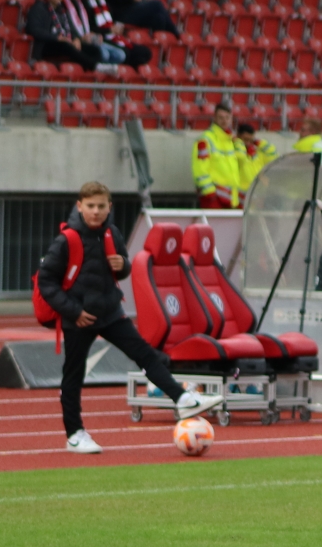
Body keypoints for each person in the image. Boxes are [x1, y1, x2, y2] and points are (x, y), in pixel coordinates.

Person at [39, 181, 221, 455]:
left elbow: (121, 267)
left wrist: (123, 264)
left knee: (145, 353)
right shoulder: (66, 240)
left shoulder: (111, 233)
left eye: (101, 206)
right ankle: (75, 434)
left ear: (109, 207)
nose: (96, 211)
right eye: (90, 206)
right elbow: (46, 281)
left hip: (110, 311)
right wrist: (73, 311)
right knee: (73, 375)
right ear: (80, 206)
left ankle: (182, 398)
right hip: (79, 318)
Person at [25, 0, 102, 70]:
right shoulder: (39, 8)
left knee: (94, 50)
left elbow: (70, 28)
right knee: (66, 46)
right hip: (46, 45)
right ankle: (95, 67)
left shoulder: (61, 9)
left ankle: (92, 70)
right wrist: (58, 38)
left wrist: (76, 39)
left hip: (63, 42)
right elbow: (34, 30)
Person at [80, 0, 152, 66]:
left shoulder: (106, 3)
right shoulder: (85, 3)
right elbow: (88, 28)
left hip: (112, 36)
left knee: (145, 52)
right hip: (100, 39)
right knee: (128, 54)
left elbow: (112, 23)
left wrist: (118, 29)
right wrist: (109, 30)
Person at [193, 102, 246, 209]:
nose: (224, 121)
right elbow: (200, 170)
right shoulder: (205, 139)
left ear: (231, 119)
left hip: (232, 198)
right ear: (214, 118)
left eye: (227, 117)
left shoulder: (230, 140)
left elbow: (241, 160)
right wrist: (210, 194)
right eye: (220, 117)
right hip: (213, 198)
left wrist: (238, 142)